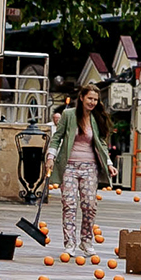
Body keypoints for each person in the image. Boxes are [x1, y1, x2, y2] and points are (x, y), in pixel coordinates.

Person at [43, 84, 117, 252]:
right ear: (82, 97)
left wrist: (109, 164)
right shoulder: (69, 115)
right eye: (90, 98)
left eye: (96, 100)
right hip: (69, 166)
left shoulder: (96, 118)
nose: (93, 102)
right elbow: (57, 138)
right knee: (69, 204)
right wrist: (50, 157)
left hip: (90, 167)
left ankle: (86, 241)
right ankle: (69, 243)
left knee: (89, 205)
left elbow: (102, 144)